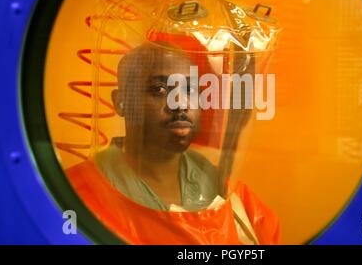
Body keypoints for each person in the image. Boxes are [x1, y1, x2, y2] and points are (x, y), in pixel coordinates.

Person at [66, 42, 281, 244]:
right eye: (160, 89)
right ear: (121, 102)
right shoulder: (73, 196)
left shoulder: (236, 202)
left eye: (190, 90)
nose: (180, 103)